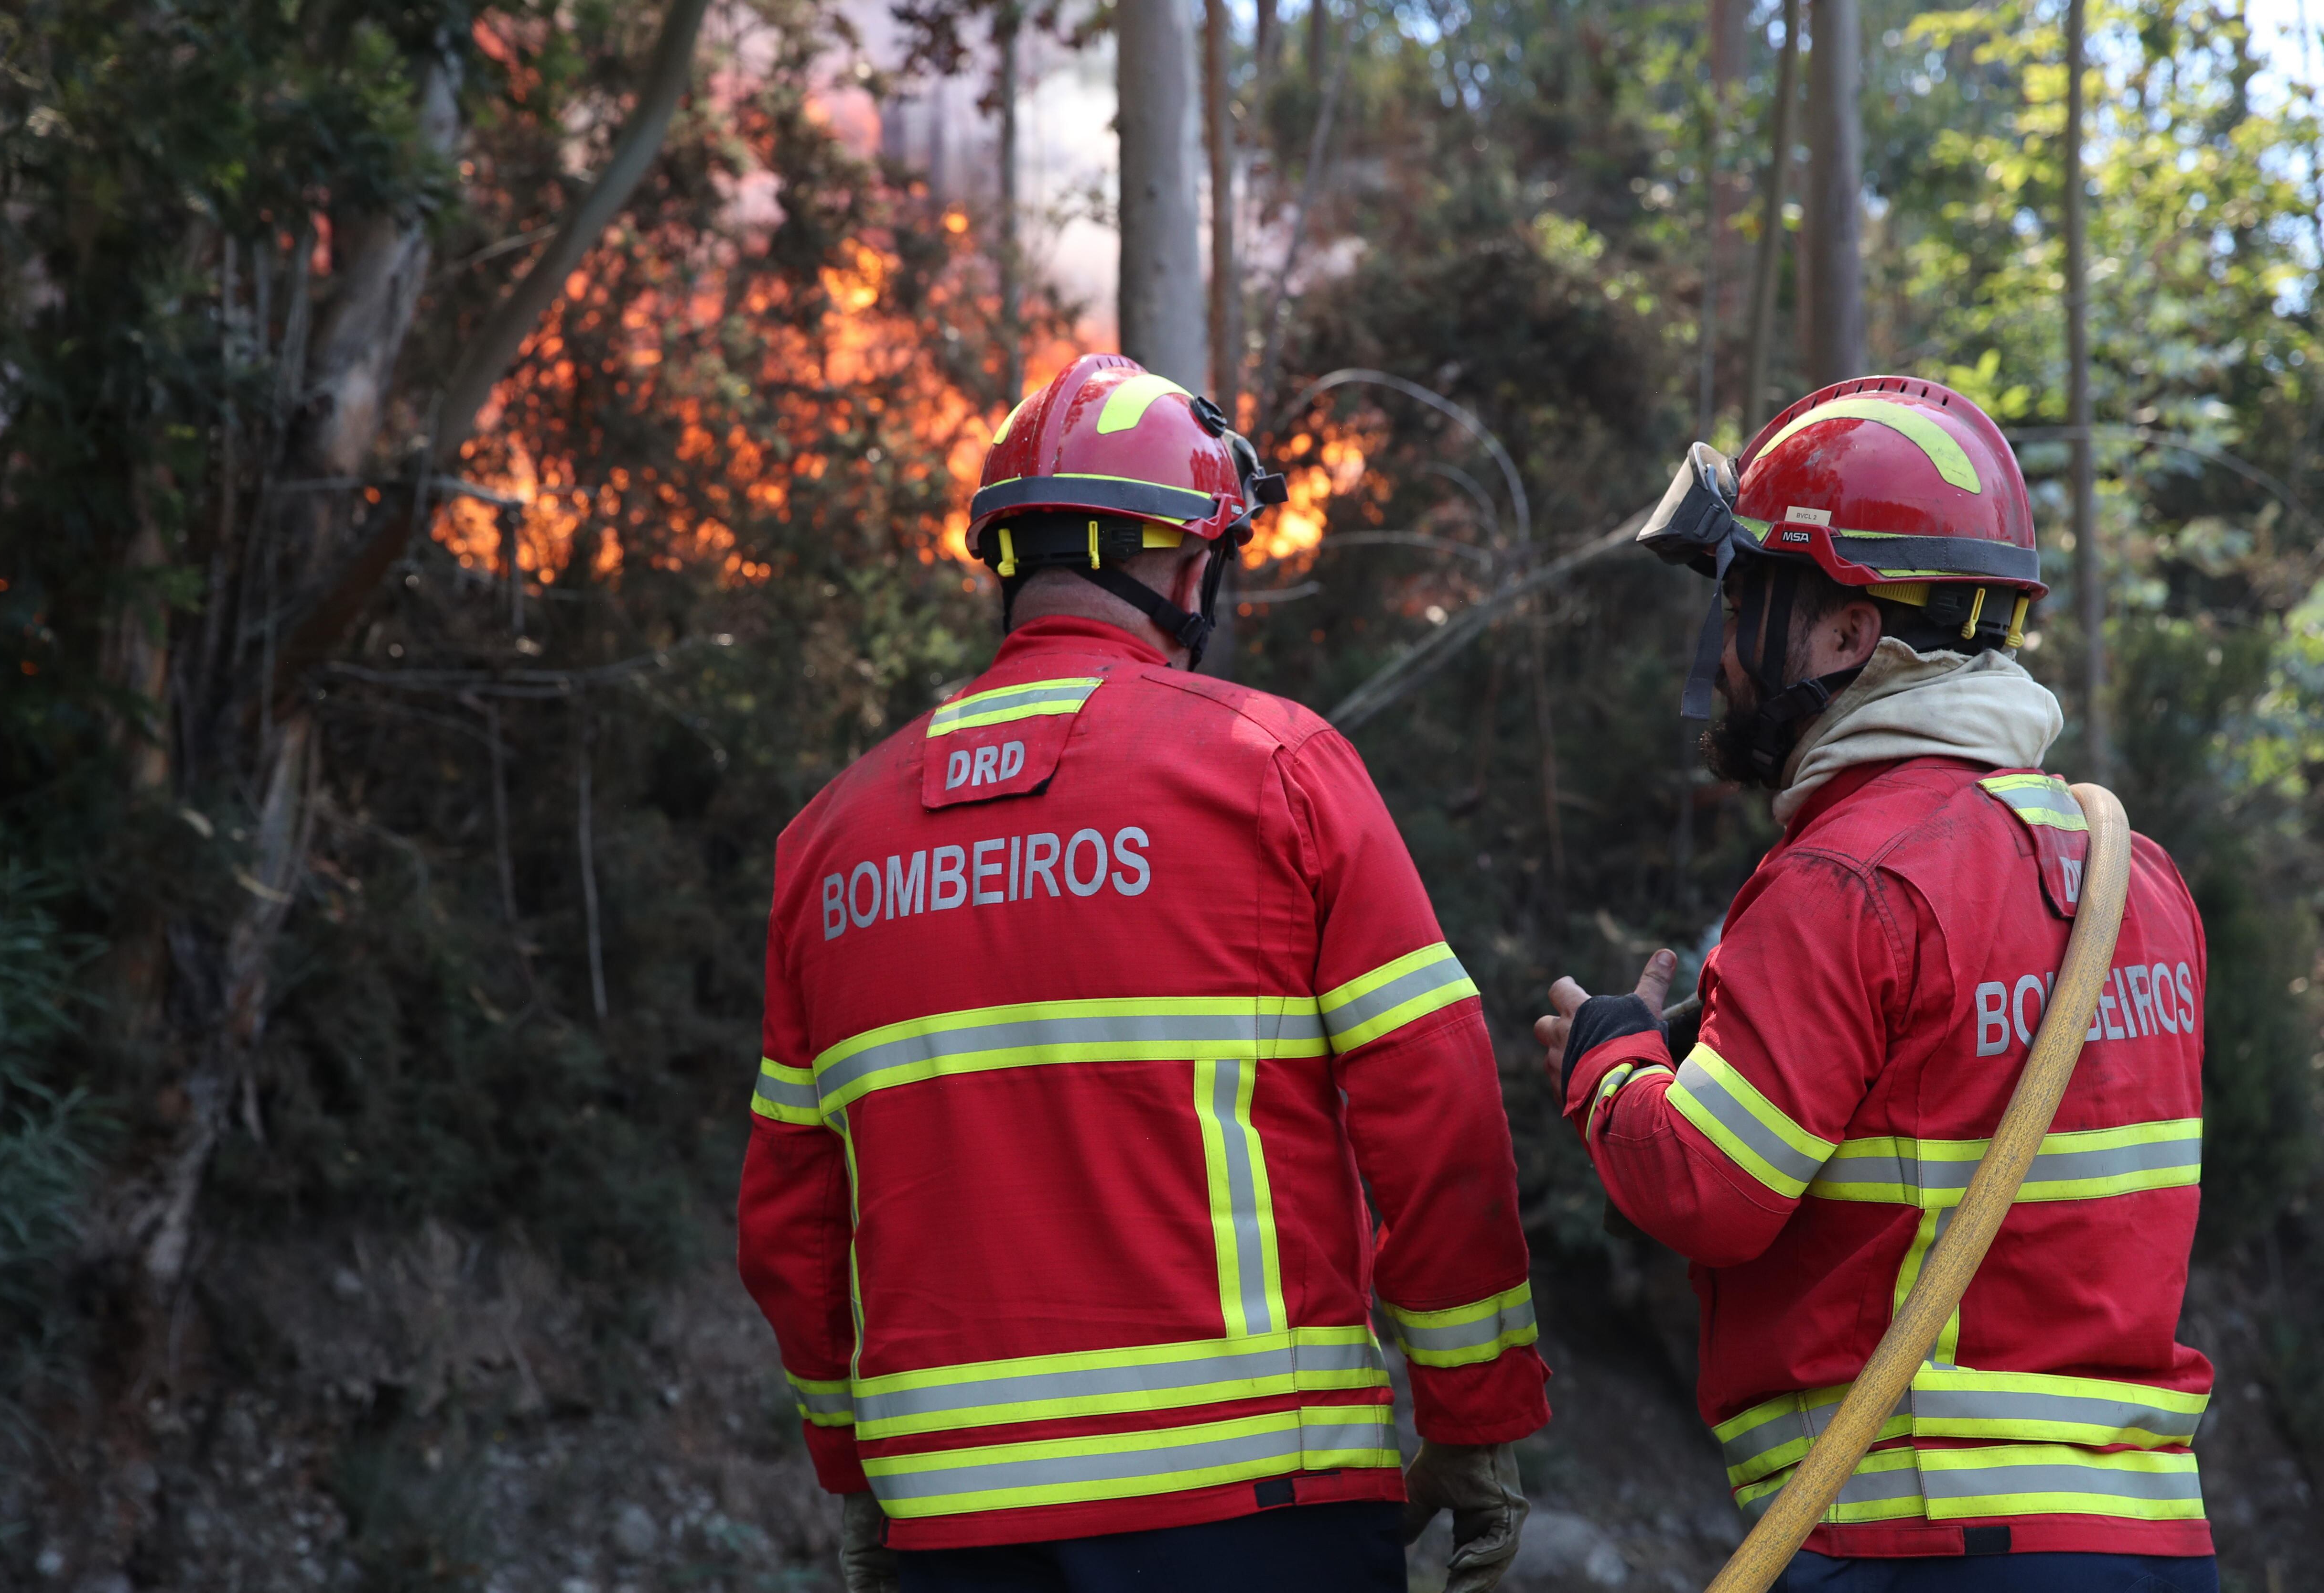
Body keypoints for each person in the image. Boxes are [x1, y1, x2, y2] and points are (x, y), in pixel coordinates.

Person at [737, 353, 1549, 1593]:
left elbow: (791, 1228)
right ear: (1186, 566)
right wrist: (1474, 1415)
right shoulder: (1275, 769)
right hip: (1255, 1504)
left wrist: (853, 1468)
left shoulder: (830, 839)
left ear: (1005, 563)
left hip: (954, 1528)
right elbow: (1434, 1115)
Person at [1534, 377, 2218, 1593]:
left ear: (1850, 635)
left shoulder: (1846, 877)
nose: (1729, 650)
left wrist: (1611, 1058)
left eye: (1750, 598)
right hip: (2147, 1546)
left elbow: (1707, 1186)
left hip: (1921, 1540)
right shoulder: (2134, 874)